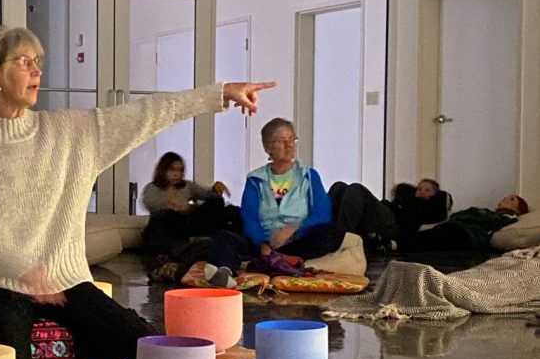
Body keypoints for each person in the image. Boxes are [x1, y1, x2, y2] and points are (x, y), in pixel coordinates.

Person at [0, 25, 275, 359]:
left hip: (62, 281)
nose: (37, 71)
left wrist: (220, 93)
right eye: (24, 62)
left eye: (38, 62)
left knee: (147, 352)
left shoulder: (70, 132)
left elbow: (148, 113)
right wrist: (19, 268)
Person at [204, 117, 344, 288]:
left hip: (297, 242)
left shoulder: (309, 176)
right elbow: (249, 216)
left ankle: (280, 259)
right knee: (224, 235)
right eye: (282, 141)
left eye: (292, 139)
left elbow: (322, 212)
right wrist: (264, 243)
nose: (289, 145)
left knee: (334, 230)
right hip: (263, 244)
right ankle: (224, 273)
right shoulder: (255, 179)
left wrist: (294, 229)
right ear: (267, 147)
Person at [140, 151, 233, 254]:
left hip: (186, 222)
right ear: (163, 170)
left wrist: (216, 188)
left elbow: (207, 195)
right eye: (172, 170)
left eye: (180, 171)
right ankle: (181, 247)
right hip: (166, 224)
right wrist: (171, 205)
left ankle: (207, 240)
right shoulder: (152, 188)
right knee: (164, 218)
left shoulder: (187, 186)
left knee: (218, 203)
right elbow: (149, 203)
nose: (176, 174)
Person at [400, 194, 528, 252]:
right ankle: (395, 242)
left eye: (511, 199)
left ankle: (395, 244)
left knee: (431, 238)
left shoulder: (506, 218)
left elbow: (484, 223)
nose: (505, 198)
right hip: (455, 226)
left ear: (517, 209)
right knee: (430, 234)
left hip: (467, 234)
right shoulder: (488, 212)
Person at [328, 180, 400, 252]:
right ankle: (324, 237)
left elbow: (408, 241)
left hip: (395, 224)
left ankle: (339, 242)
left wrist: (388, 244)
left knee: (356, 190)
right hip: (377, 222)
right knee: (339, 187)